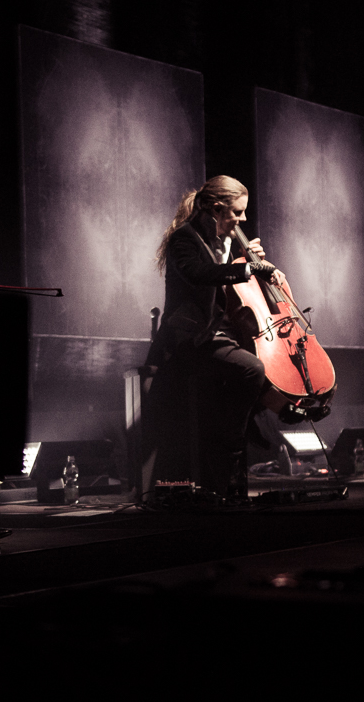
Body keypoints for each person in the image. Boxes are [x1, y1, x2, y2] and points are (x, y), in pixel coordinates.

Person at [147, 175, 285, 499]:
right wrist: (248, 268)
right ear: (217, 209)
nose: (243, 219)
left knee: (258, 369)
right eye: (237, 212)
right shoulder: (185, 238)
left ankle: (237, 435)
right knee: (251, 369)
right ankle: (233, 440)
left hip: (214, 333)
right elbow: (199, 274)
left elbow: (223, 278)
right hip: (189, 338)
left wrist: (252, 261)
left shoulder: (218, 241)